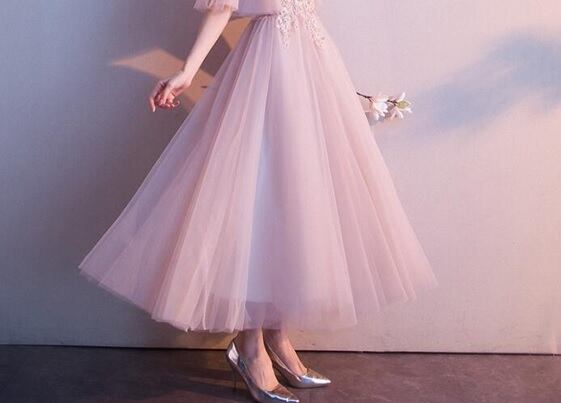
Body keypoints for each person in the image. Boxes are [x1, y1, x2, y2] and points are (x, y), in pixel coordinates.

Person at [79, 1, 438, 402]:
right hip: (268, 71)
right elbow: (223, 5)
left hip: (311, 67)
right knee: (259, 197)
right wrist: (188, 71)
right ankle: (250, 347)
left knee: (296, 201)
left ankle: (277, 337)